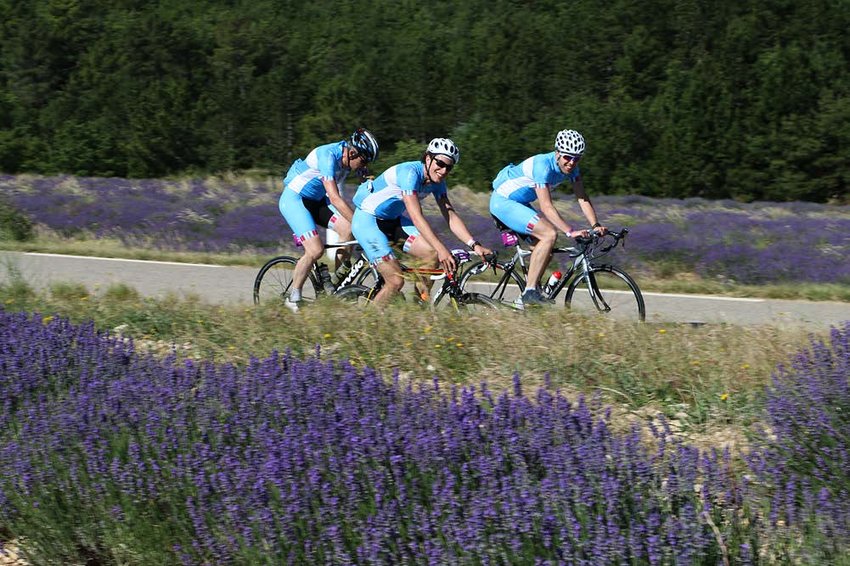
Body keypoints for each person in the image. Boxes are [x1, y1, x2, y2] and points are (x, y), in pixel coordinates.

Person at [351, 137, 493, 305]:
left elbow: (450, 215)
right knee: (396, 281)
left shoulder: (437, 182)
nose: (443, 170)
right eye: (440, 163)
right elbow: (416, 217)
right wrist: (442, 249)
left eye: (449, 167)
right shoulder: (410, 173)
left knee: (430, 254)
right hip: (368, 221)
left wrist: (474, 245)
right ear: (428, 158)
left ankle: (419, 308)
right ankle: (367, 324)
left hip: (392, 221)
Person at [490, 129, 607, 306]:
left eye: (577, 158)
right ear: (558, 153)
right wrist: (570, 231)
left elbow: (582, 198)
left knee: (546, 251)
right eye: (568, 157)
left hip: (519, 204)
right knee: (549, 234)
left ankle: (524, 300)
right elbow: (546, 206)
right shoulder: (542, 166)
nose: (572, 162)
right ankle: (529, 292)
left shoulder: (573, 169)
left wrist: (595, 224)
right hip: (503, 202)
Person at [279, 128, 380, 311]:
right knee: (315, 250)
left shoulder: (351, 159)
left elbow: (364, 181)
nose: (363, 165)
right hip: (295, 199)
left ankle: (336, 284)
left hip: (316, 202)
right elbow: (335, 198)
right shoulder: (328, 156)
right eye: (363, 161)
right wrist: (361, 224)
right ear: (352, 153)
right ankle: (293, 297)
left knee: (347, 230)